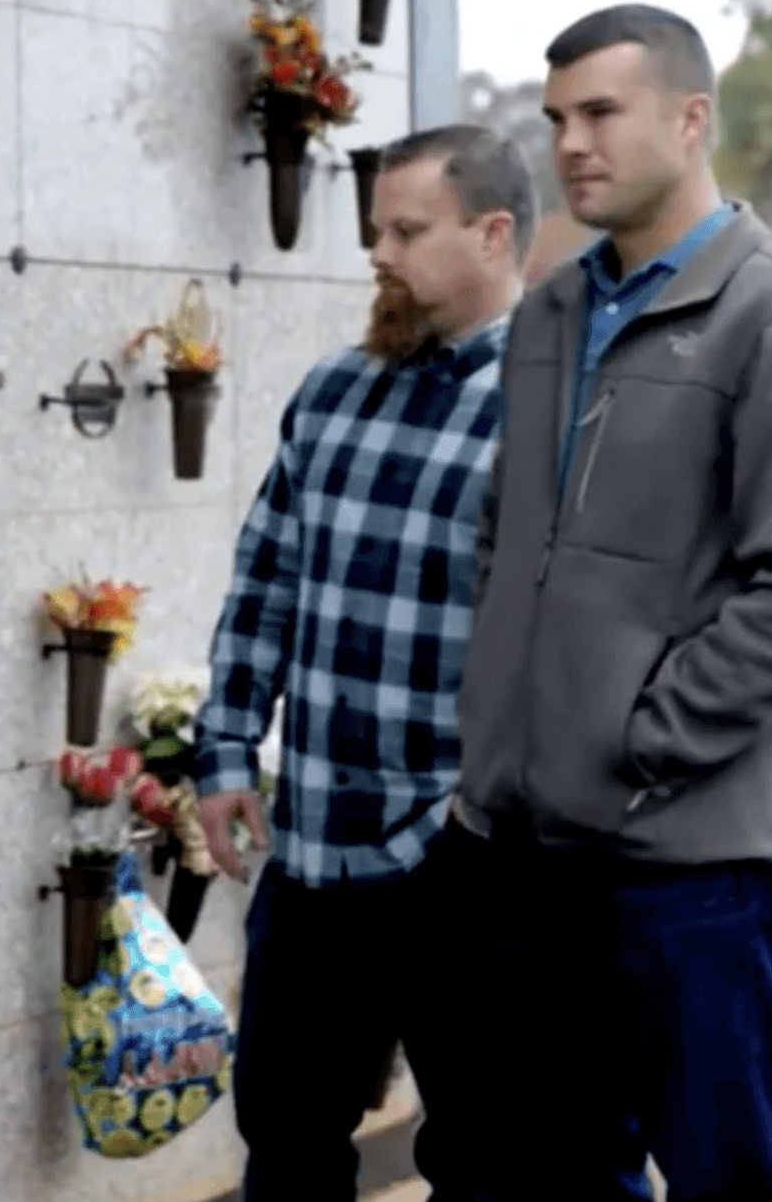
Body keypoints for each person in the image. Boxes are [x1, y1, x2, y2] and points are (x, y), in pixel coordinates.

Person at [421, 4, 772, 1201]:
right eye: (557, 116)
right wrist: (502, 732)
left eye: (601, 113)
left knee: (730, 1179)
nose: (568, 142)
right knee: (556, 1173)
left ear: (690, 119)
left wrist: (638, 736)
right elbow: (502, 538)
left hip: (698, 863)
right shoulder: (554, 311)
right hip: (527, 849)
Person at [191, 123, 536, 1202]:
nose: (378, 251)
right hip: (314, 853)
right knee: (285, 1141)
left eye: (405, 228)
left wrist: (481, 802)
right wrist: (228, 747)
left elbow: (572, 638)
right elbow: (267, 576)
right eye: (376, 226)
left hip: (459, 857)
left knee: (483, 1155)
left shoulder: (553, 408)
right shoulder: (334, 390)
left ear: (492, 232)